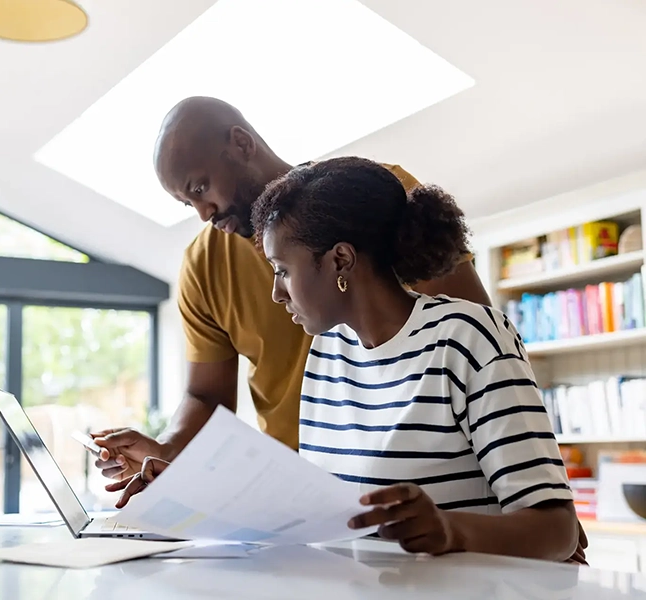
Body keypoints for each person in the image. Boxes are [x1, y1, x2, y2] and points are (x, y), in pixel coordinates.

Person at [110, 157, 581, 562]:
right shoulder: (328, 354)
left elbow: (557, 531)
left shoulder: (468, 336)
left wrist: (450, 530)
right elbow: (320, 511)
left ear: (339, 261)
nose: (276, 292)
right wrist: (187, 492)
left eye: (283, 270)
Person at [90, 96, 491, 482]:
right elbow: (206, 397)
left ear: (241, 143)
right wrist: (165, 450)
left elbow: (476, 336)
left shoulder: (374, 198)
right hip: (299, 489)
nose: (203, 213)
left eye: (200, 188)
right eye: (186, 203)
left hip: (416, 469)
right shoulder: (202, 265)